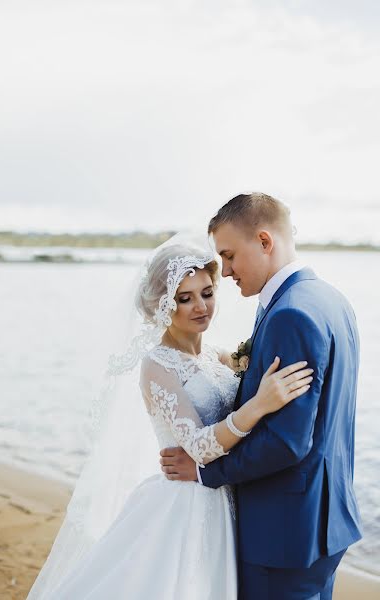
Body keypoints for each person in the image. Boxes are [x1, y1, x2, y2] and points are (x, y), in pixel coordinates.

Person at [26, 235, 311, 599]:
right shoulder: (157, 366)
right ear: (162, 306)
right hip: (186, 505)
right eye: (184, 298)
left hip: (225, 497)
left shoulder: (220, 357)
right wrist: (259, 405)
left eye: (207, 293)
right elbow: (199, 447)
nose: (200, 307)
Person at [161, 193, 362, 600]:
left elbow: (286, 442)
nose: (227, 270)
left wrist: (204, 473)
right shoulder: (329, 299)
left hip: (283, 532)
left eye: (230, 255)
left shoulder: (290, 313)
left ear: (265, 241)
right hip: (325, 521)